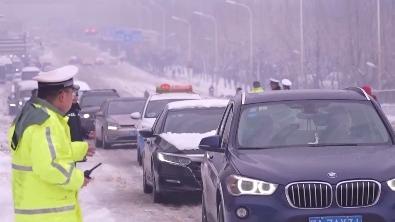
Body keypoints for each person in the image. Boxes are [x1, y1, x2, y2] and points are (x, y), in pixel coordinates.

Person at [8, 65, 95, 222]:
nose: (74, 97)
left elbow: (45, 152)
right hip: (50, 216)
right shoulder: (45, 123)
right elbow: (49, 166)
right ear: (62, 96)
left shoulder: (32, 114)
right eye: (72, 93)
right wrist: (78, 179)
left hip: (36, 212)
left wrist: (80, 149)